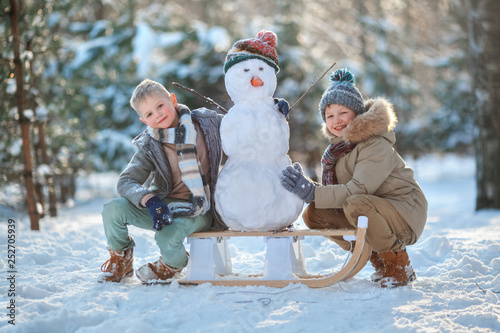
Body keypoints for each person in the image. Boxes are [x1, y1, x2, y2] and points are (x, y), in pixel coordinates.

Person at [280, 68, 428, 288]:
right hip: (373, 208)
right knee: (314, 214)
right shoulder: (339, 150)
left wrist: (314, 192)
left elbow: (357, 190)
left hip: (405, 212)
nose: (336, 120)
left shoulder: (374, 144)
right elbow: (341, 194)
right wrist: (310, 190)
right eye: (329, 115)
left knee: (355, 201)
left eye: (343, 113)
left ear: (357, 113)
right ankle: (377, 257)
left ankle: (397, 263)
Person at [98, 78, 226, 283]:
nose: (157, 114)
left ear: (172, 100)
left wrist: (272, 109)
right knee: (113, 209)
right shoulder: (150, 145)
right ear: (144, 121)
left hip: (200, 207)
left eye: (160, 106)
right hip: (162, 208)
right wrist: (150, 200)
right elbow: (126, 181)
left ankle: (172, 264)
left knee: (167, 236)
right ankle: (121, 258)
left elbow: (239, 122)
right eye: (149, 113)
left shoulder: (206, 123)